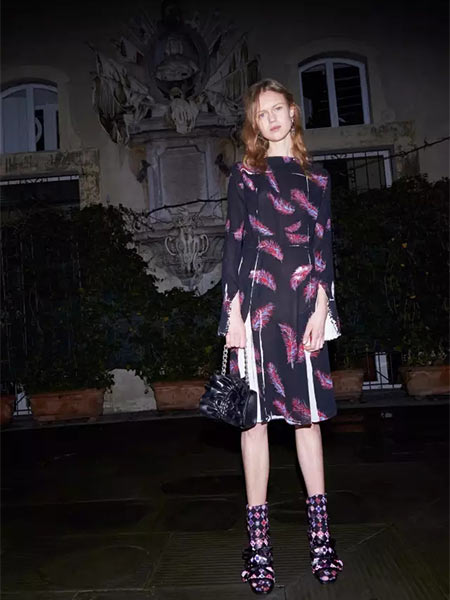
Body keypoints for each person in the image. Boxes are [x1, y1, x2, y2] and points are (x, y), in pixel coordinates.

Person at [217, 78, 344, 594]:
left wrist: (323, 309)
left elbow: (323, 249)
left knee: (306, 421)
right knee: (254, 424)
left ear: (293, 112)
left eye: (277, 108)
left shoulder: (318, 180)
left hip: (303, 309)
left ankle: (321, 539)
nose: (270, 118)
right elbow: (234, 246)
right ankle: (259, 545)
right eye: (260, 113)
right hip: (255, 312)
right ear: (255, 123)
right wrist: (231, 317)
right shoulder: (246, 176)